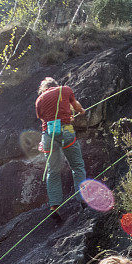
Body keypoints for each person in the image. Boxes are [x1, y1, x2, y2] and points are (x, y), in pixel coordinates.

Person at [35, 77, 87, 222]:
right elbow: (75, 106)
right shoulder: (65, 90)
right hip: (66, 132)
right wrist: (81, 111)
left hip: (48, 137)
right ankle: (82, 199)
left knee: (53, 171)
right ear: (55, 85)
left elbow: (44, 119)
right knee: (77, 166)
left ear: (44, 89)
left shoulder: (39, 100)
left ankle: (54, 207)